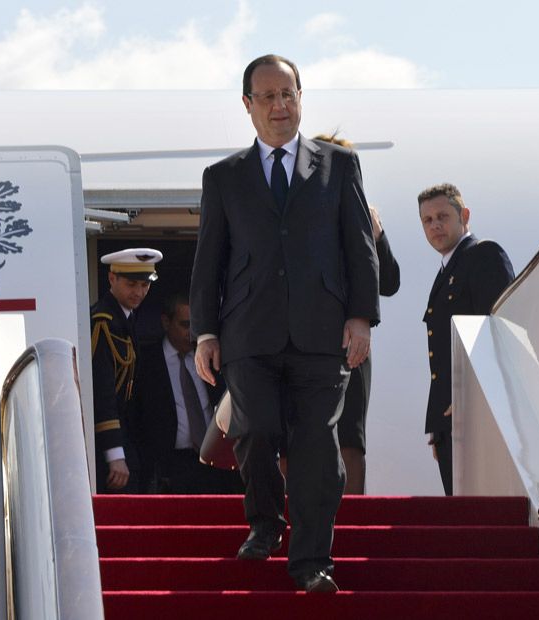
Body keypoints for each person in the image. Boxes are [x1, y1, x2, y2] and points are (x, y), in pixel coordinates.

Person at [190, 54, 380, 593]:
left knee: (317, 447)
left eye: (288, 94)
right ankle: (266, 522)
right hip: (248, 333)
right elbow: (210, 259)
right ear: (247, 104)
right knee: (256, 429)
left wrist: (361, 317)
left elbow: (359, 247)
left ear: (300, 98)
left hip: (322, 335)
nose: (280, 106)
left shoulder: (339, 166)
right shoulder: (223, 177)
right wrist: (206, 332)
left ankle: (312, 561)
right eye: (268, 96)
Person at [303, 132, 400, 494]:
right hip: (299, 341)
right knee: (297, 434)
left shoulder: (361, 215)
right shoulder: (294, 213)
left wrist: (377, 235)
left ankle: (351, 517)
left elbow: (389, 282)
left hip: (350, 345)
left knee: (349, 437)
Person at [419, 183, 514, 496]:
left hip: (475, 415)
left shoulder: (484, 256)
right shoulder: (447, 269)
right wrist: (437, 423)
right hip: (450, 417)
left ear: (465, 216)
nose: (435, 225)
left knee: (479, 515)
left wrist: (469, 399)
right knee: (458, 510)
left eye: (442, 216)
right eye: (427, 220)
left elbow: (499, 332)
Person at [136, 292, 244, 494]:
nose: (191, 333)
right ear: (166, 322)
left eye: (195, 326)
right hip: (167, 467)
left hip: (214, 464)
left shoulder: (213, 358)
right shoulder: (145, 362)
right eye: (185, 325)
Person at [91, 247, 162, 493]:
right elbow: (102, 392)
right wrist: (115, 454)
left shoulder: (127, 319)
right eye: (132, 284)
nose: (139, 292)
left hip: (130, 438)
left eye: (145, 285)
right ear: (112, 278)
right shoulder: (104, 323)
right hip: (111, 446)